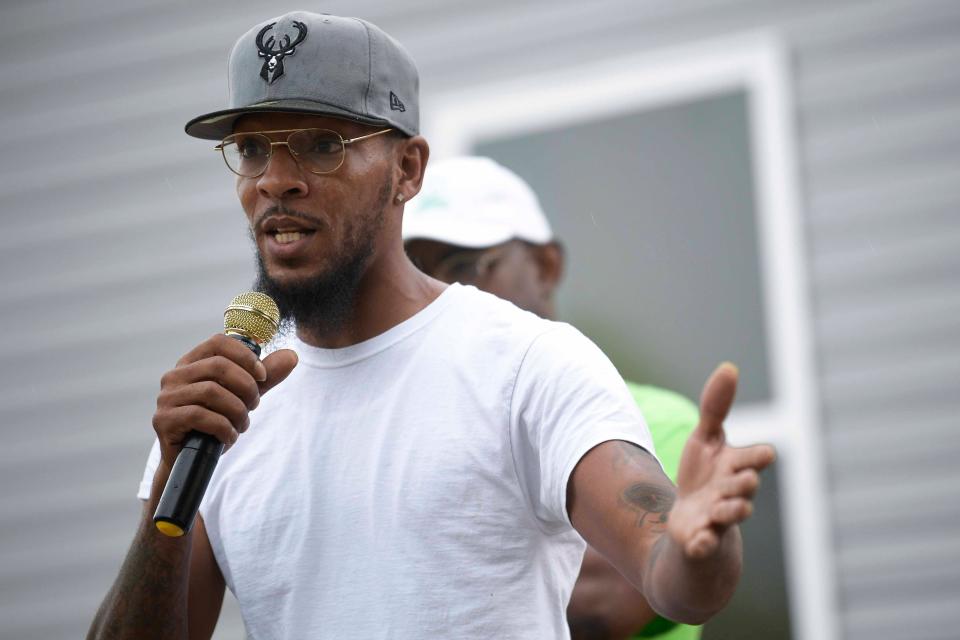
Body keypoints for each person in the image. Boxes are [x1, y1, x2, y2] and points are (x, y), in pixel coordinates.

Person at [88, 12, 775, 640]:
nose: (276, 179)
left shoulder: (527, 365)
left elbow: (672, 575)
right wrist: (168, 489)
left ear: (407, 169)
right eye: (253, 149)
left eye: (321, 144)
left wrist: (694, 548)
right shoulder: (222, 408)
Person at [403, 156, 702, 640]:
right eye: (420, 275)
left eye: (465, 267)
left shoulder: (658, 420)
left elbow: (609, 598)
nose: (445, 296)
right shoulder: (412, 428)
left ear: (546, 266)